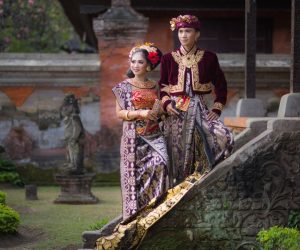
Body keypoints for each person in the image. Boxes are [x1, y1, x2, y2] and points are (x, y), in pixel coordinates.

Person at [159, 15, 234, 186]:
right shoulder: (168, 58)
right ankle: (176, 187)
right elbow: (162, 86)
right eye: (181, 31)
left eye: (188, 31)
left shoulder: (209, 57)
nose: (183, 35)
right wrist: (166, 104)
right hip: (174, 111)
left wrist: (216, 108)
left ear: (197, 34)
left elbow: (221, 84)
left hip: (200, 107)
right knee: (176, 151)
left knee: (225, 137)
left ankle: (203, 178)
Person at [112, 43, 169, 222]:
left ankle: (156, 210)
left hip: (155, 136)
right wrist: (140, 113)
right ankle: (138, 216)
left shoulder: (156, 87)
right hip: (134, 139)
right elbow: (119, 113)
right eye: (133, 61)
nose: (135, 65)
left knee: (162, 164)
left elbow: (161, 108)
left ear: (149, 66)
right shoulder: (123, 87)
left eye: (140, 62)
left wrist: (160, 111)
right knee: (136, 177)